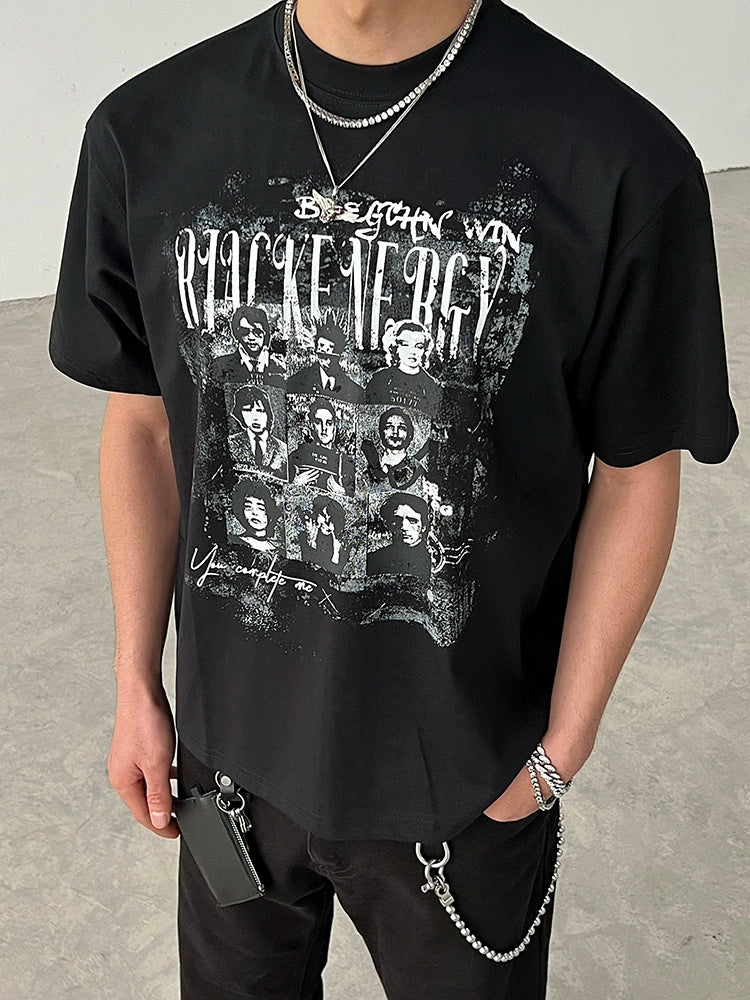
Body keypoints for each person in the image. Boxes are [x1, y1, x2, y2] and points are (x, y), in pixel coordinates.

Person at [47, 0, 739, 997]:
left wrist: (558, 752)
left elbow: (637, 467)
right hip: (227, 768)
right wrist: (135, 687)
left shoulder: (617, 158)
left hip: (466, 785)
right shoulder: (147, 131)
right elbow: (146, 424)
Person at [286, 310, 364, 401]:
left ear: (340, 353)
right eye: (323, 356)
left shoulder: (353, 390)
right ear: (316, 351)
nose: (328, 361)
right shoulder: (296, 383)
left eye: (332, 357)